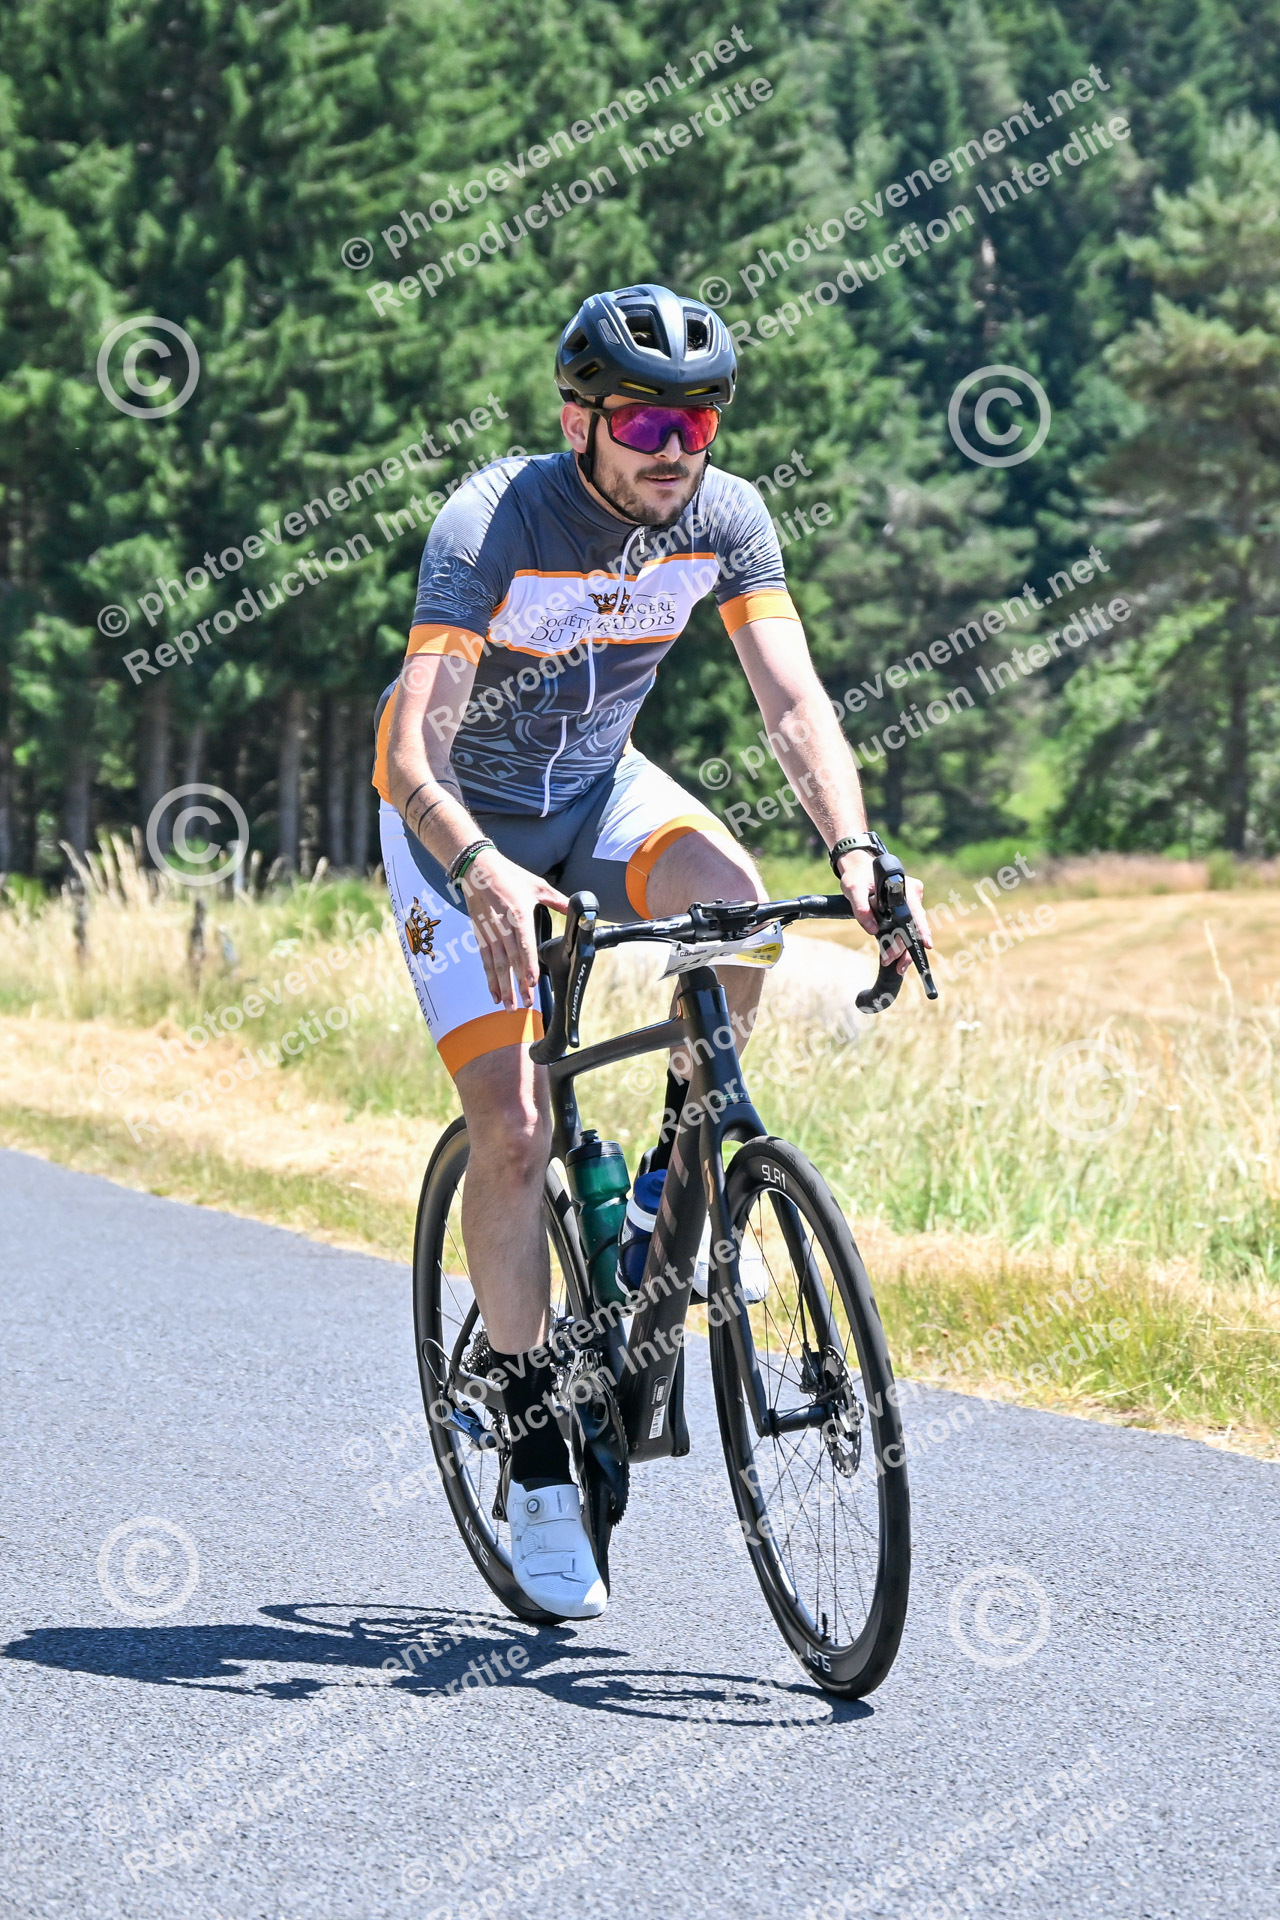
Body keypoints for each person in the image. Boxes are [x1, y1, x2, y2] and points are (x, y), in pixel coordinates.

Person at [375, 282, 929, 1619]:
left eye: (697, 421)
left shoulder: (725, 520)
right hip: (457, 823)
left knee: (740, 910)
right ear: (580, 420)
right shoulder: (494, 523)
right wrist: (479, 866)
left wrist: (858, 849)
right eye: (643, 422)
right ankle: (538, 1463)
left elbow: (791, 702)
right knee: (514, 1125)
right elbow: (407, 752)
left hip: (597, 791)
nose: (674, 449)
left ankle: (659, 1213)